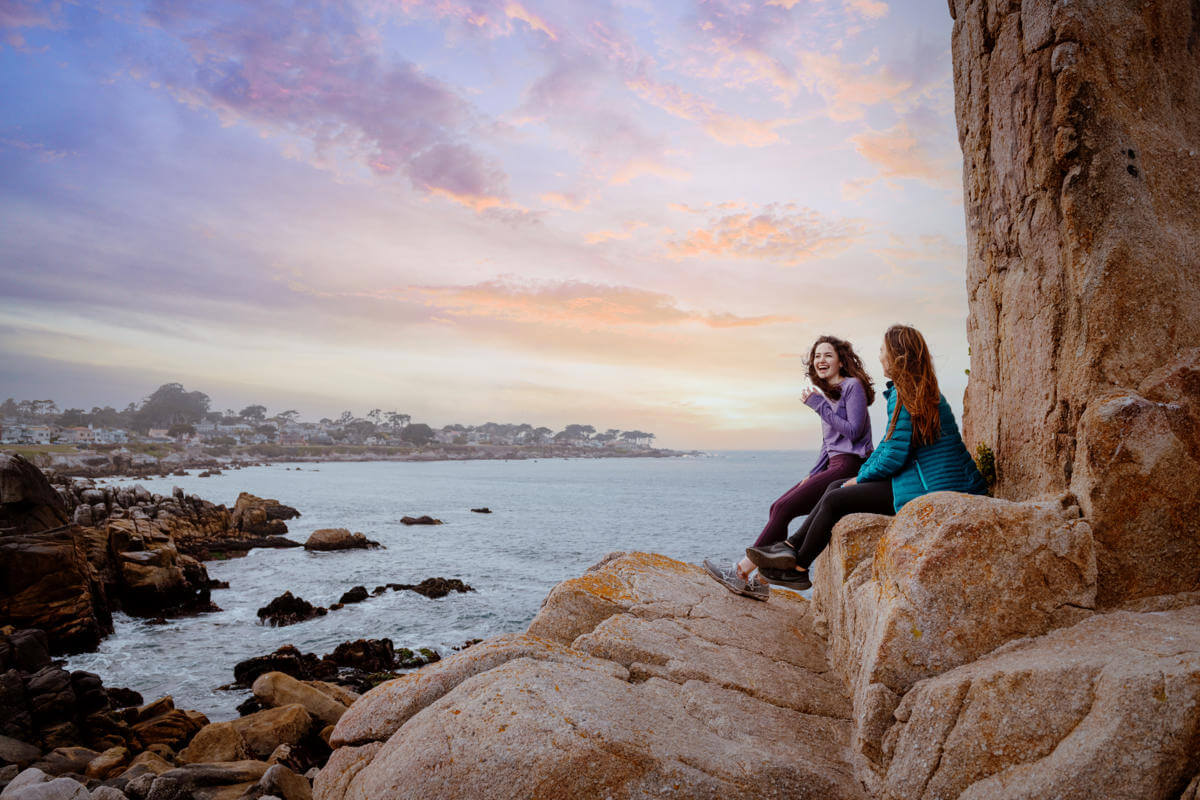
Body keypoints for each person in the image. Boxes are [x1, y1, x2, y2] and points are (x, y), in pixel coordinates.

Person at [745, 324, 988, 589]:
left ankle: (799, 566)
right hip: (919, 479)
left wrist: (860, 479)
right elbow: (886, 446)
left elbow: (893, 456)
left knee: (837, 497)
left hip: (932, 487)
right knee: (835, 487)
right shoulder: (910, 390)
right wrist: (859, 476)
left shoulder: (909, 394)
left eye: (883, 351)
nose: (881, 357)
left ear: (897, 356)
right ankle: (790, 547)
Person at [704, 335, 875, 599]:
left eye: (828, 355)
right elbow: (829, 444)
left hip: (851, 466)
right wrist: (813, 473)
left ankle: (740, 572)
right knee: (778, 507)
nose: (821, 360)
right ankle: (761, 582)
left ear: (841, 361)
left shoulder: (852, 386)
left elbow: (853, 432)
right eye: (817, 356)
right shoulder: (828, 395)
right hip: (834, 465)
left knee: (783, 508)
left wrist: (819, 407)